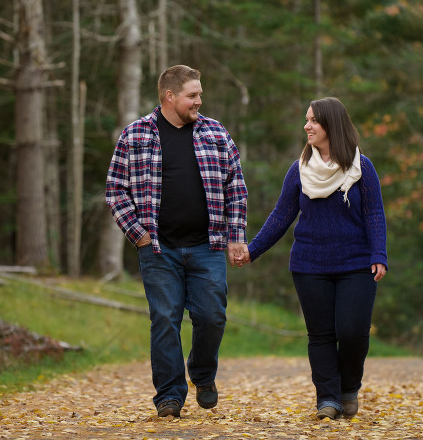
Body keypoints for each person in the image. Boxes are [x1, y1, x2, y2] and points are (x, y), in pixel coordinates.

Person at [105, 65, 249, 418]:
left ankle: (202, 374)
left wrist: (235, 237)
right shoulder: (135, 135)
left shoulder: (215, 133)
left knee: (212, 316)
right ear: (170, 96)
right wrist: (138, 235)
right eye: (192, 95)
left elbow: (236, 189)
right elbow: (115, 191)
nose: (199, 101)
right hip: (158, 249)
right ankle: (169, 394)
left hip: (208, 246)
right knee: (165, 319)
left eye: (199, 94)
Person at [241, 96, 387, 420]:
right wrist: (253, 250)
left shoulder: (362, 168)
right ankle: (328, 399)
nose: (306, 126)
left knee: (352, 332)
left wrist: (379, 254)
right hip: (309, 265)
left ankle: (349, 387)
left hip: (357, 263)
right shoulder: (300, 171)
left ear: (330, 125)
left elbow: (374, 213)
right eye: (306, 120)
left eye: (313, 121)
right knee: (320, 335)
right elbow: (281, 216)